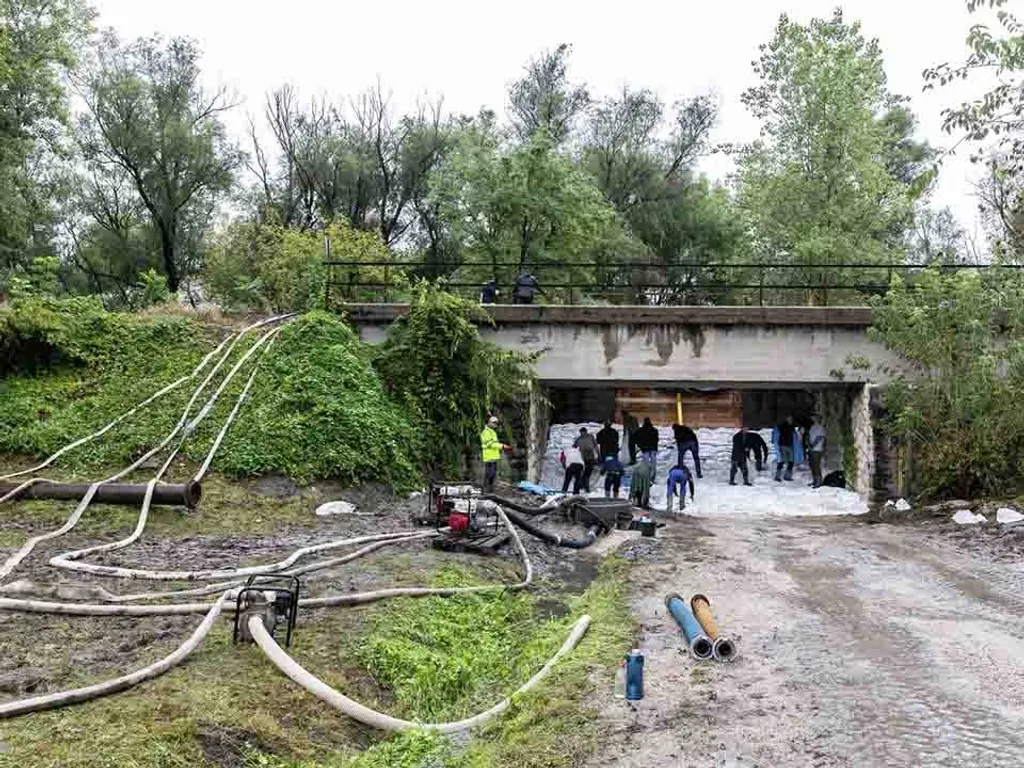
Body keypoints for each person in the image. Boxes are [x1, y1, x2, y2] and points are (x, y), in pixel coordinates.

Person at [480, 416, 510, 492]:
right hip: (489, 456)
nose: (495, 424)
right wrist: (502, 446)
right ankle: (486, 490)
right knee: (490, 474)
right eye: (493, 422)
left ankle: (489, 490)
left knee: (491, 475)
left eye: (496, 422)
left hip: (493, 456)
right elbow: (491, 444)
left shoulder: (492, 431)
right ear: (488, 422)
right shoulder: (486, 432)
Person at [772, 415, 803, 482]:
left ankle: (787, 476)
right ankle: (778, 476)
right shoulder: (784, 426)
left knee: (790, 461)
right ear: (786, 419)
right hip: (783, 446)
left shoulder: (789, 426)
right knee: (782, 461)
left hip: (789, 446)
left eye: (791, 419)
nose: (790, 420)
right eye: (789, 419)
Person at [573, 427, 599, 492]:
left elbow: (595, 445)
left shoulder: (590, 437)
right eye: (581, 433)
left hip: (590, 457)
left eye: (583, 432)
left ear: (586, 432)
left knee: (587, 473)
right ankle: (584, 487)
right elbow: (574, 447)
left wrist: (598, 454)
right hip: (583, 458)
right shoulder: (579, 439)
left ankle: (584, 486)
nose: (582, 434)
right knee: (584, 473)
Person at [807, 417, 827, 488]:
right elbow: (809, 436)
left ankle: (818, 482)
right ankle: (815, 480)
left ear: (818, 419)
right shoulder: (812, 427)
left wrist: (813, 445)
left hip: (817, 449)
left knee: (816, 466)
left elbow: (820, 437)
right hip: (811, 449)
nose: (813, 419)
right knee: (812, 466)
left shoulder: (820, 428)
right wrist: (809, 444)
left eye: (815, 418)